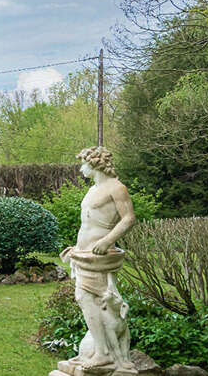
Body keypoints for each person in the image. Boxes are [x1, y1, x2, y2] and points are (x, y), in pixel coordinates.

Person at [56, 146, 137, 375]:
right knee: (87, 299)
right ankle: (97, 351)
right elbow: (88, 223)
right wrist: (78, 247)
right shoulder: (94, 189)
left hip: (100, 256)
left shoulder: (116, 188)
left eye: (84, 164)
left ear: (95, 164)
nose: (81, 168)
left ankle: (104, 354)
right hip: (85, 254)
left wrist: (107, 240)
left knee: (97, 300)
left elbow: (129, 218)